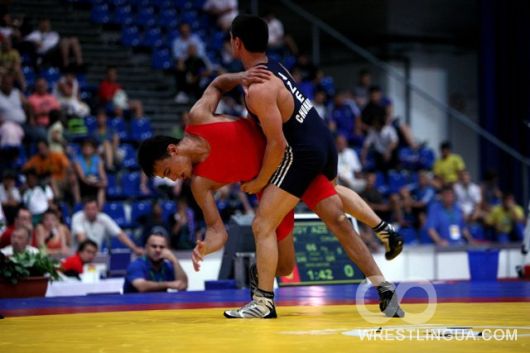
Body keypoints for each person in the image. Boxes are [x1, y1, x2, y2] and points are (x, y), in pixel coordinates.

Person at [138, 67, 404, 318]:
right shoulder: (199, 183)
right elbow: (217, 230)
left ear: (172, 151)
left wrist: (242, 75)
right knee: (286, 266)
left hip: (289, 162)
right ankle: (262, 275)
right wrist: (206, 247)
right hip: (269, 190)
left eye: (167, 172)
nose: (173, 180)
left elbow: (218, 84)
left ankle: (384, 289)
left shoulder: (199, 118)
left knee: (337, 219)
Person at [223, 15, 404, 318]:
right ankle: (384, 287)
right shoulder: (275, 68)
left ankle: (263, 302)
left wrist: (259, 182)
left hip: (301, 152)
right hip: (322, 140)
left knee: (261, 224)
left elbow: (277, 144)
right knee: (337, 219)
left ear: (236, 43)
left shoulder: (257, 89)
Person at [71, 198, 143, 255]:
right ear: (84, 209)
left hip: (95, 256)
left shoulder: (103, 218)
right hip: (78, 255)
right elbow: (82, 239)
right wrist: (90, 253)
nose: (91, 211)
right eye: (88, 209)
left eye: (93, 208)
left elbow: (120, 234)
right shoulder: (77, 217)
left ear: (98, 209)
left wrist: (135, 248)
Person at [122, 232, 188, 293]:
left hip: (160, 304)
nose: (158, 250)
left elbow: (183, 285)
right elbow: (142, 286)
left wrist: (174, 260)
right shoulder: (136, 265)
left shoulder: (167, 266)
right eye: (154, 246)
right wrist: (168, 284)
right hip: (135, 305)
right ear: (146, 248)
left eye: (161, 247)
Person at [74, 138, 107, 207]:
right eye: (85, 147)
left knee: (102, 187)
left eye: (89, 147)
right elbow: (82, 177)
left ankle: (99, 209)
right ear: (82, 149)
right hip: (83, 183)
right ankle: (78, 205)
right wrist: (95, 183)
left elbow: (102, 175)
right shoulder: (77, 159)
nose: (87, 148)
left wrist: (103, 182)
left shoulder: (98, 159)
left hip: (95, 180)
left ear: (93, 149)